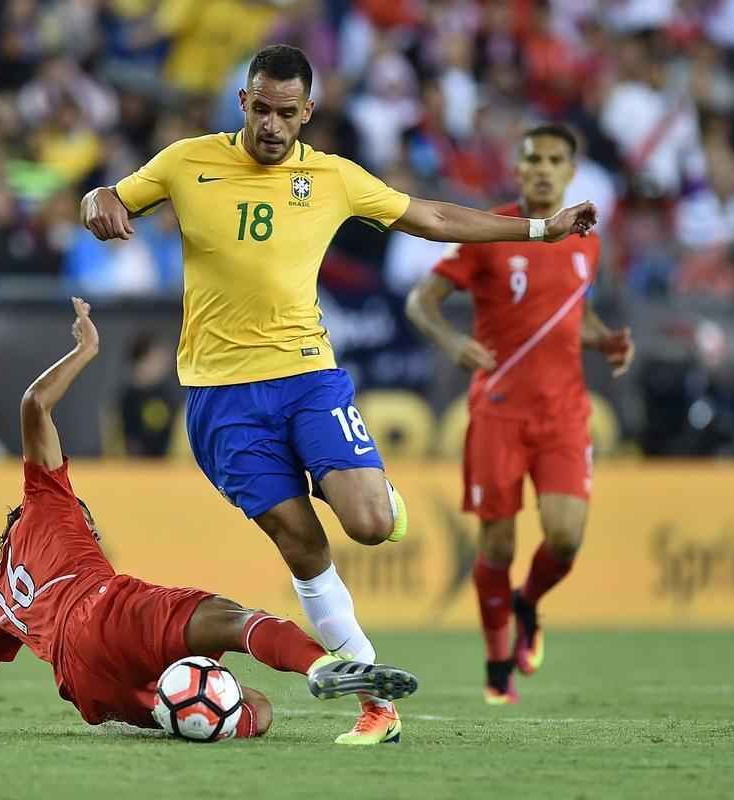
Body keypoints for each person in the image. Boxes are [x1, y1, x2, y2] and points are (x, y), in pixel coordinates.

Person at [81, 44, 597, 743]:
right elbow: (107, 196)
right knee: (299, 541)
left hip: (305, 376)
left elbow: (434, 219)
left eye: (285, 113)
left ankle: (376, 500)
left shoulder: (332, 178)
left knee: (370, 524)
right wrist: (99, 201)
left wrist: (537, 230)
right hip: (219, 397)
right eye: (259, 108)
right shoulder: (186, 160)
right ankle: (373, 699)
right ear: (242, 101)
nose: (270, 124)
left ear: (307, 113)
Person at [0, 298, 418, 742]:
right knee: (233, 620)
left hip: (86, 685)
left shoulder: (1, 601)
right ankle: (323, 663)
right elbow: (34, 404)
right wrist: (87, 350)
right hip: (108, 612)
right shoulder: (45, 499)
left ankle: (205, 712)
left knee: (253, 710)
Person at [405, 124, 634, 705]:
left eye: (555, 159)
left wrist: (604, 339)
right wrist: (451, 342)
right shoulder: (491, 233)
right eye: (533, 157)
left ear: (571, 171)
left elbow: (570, 315)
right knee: (497, 547)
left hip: (563, 414)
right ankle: (496, 662)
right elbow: (420, 302)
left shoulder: (585, 239)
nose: (542, 168)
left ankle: (527, 603)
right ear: (518, 165)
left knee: (565, 536)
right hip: (499, 413)